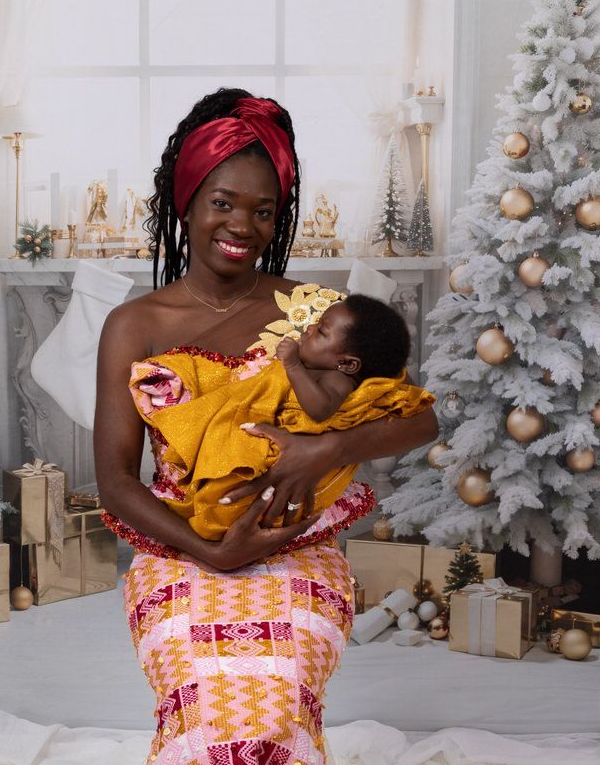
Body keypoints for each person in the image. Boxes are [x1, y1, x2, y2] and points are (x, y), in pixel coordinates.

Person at [94, 88, 438, 765]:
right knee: (205, 706)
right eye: (222, 202)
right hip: (181, 548)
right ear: (186, 201)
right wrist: (213, 551)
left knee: (277, 700)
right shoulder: (133, 325)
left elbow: (420, 420)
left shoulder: (317, 315)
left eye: (263, 211)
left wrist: (328, 447)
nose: (242, 225)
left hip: (296, 548)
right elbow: (113, 481)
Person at [128, 293, 435, 541]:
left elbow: (317, 411)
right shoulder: (321, 361)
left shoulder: (337, 381)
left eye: (322, 331)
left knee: (240, 467)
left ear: (349, 364)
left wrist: (291, 366)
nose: (310, 328)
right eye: (316, 323)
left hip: (280, 445)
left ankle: (219, 515)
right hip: (255, 418)